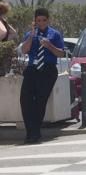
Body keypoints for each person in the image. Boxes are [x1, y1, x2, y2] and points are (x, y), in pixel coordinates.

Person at [17, 8, 65, 143]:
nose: (41, 23)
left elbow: (61, 54)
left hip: (47, 70)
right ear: (35, 21)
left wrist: (49, 46)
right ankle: (30, 132)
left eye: (44, 20)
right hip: (32, 69)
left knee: (39, 101)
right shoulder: (30, 34)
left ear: (48, 20)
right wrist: (31, 36)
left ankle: (35, 133)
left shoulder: (54, 34)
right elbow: (25, 50)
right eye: (38, 20)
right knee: (25, 100)